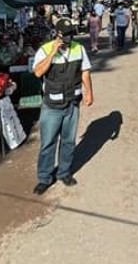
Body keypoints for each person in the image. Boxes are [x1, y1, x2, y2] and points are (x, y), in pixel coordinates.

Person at [32, 18, 94, 194]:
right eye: (65, 35)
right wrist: (52, 53)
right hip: (51, 105)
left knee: (68, 141)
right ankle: (44, 178)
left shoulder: (79, 48)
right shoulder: (44, 50)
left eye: (71, 34)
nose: (69, 37)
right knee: (48, 143)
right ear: (57, 34)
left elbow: (85, 72)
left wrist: (89, 92)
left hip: (72, 103)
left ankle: (64, 172)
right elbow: (37, 72)